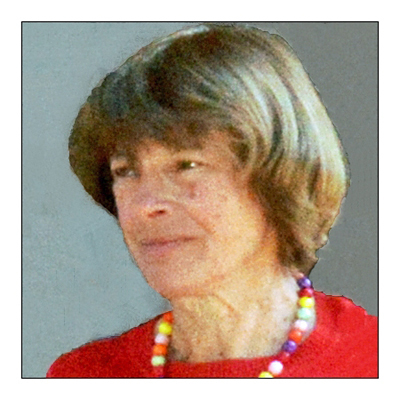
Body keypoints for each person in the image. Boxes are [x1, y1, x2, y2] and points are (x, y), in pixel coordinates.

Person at [47, 23, 377, 378]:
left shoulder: (373, 361)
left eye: (186, 165)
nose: (146, 205)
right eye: (126, 171)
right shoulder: (85, 375)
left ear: (279, 177)